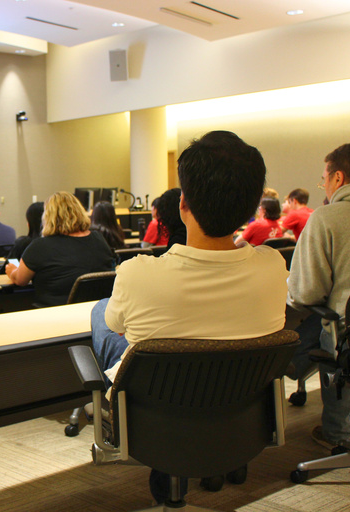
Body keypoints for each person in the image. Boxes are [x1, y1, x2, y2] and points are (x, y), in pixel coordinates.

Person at [91, 131, 288, 503]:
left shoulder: (138, 273)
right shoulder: (274, 267)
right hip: (242, 420)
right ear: (251, 209)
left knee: (103, 314)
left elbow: (116, 328)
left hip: (154, 428)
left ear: (183, 204)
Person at [287, 142, 350, 451]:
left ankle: (336, 432)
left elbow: (305, 292)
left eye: (324, 178)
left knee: (323, 326)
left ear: (338, 178)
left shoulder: (327, 218)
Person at [5, 191, 115, 307]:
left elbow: (21, 280)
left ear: (48, 217)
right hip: (96, 313)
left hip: (55, 314)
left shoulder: (40, 246)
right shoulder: (99, 239)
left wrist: (12, 271)